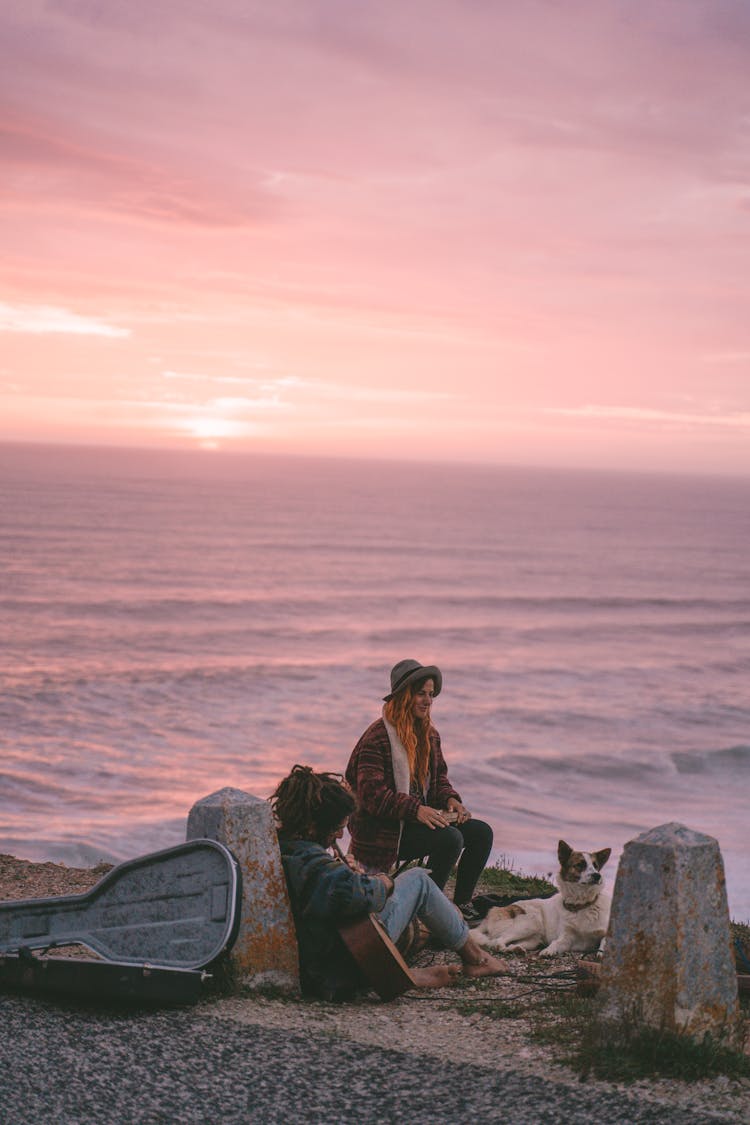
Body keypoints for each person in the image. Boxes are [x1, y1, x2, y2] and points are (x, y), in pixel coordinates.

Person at [272, 764, 508, 1001]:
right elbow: (356, 895)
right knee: (418, 879)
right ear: (313, 826)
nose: (341, 837)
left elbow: (329, 893)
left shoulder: (287, 848)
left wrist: (343, 871)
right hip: (343, 963)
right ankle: (476, 959)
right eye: (337, 829)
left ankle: (407, 974)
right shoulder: (308, 861)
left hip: (330, 952)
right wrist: (383, 882)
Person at [346, 659, 494, 920]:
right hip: (383, 832)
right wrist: (415, 810)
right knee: (450, 839)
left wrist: (450, 799)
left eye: (430, 695)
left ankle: (461, 905)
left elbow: (438, 780)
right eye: (420, 694)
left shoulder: (429, 735)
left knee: (481, 833)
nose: (428, 701)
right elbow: (372, 797)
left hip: (414, 822)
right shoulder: (377, 737)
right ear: (404, 697)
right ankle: (429, 912)